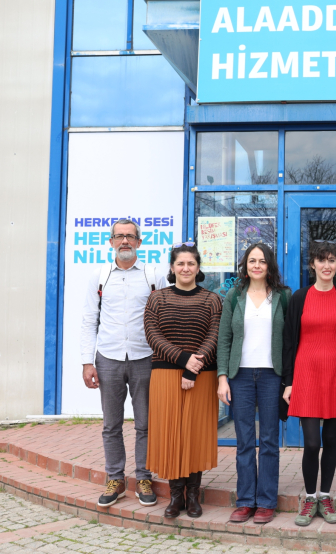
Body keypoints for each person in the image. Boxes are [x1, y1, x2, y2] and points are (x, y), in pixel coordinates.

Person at [80, 218, 165, 508]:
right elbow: (89, 320)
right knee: (111, 425)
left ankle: (143, 478)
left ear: (139, 242)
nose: (125, 241)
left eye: (130, 236)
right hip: (108, 358)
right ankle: (115, 479)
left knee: (145, 424)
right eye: (119, 236)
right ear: (111, 242)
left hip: (145, 358)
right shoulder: (100, 276)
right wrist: (86, 362)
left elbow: (164, 318)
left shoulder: (154, 275)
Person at [144, 243, 223, 519]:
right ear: (172, 267)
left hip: (202, 375)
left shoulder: (212, 299)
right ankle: (175, 496)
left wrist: (192, 369)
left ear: (198, 268)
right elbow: (152, 334)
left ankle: (193, 496)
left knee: (194, 433)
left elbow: (215, 335)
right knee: (170, 433)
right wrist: (182, 360)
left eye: (191, 263)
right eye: (181, 263)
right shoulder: (157, 298)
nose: (186, 268)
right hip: (165, 374)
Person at [282, 242, 336, 527]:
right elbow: (289, 342)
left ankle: (325, 497)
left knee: (331, 441)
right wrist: (288, 382)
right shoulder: (299, 297)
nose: (327, 265)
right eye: (321, 260)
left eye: (332, 260)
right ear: (312, 264)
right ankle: (309, 498)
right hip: (306, 375)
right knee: (312, 443)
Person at [217, 242, 291, 525]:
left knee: (270, 440)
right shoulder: (234, 296)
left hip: (272, 375)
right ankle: (246, 500)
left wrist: (289, 380)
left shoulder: (283, 296)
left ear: (269, 265)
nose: (257, 265)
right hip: (241, 376)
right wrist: (222, 378)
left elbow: (290, 341)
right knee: (245, 441)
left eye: (262, 261)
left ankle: (267, 502)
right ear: (245, 266)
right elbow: (224, 339)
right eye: (252, 261)